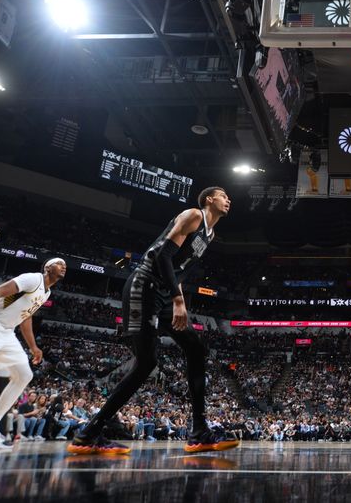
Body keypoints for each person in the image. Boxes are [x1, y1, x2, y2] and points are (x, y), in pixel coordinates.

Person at [68, 187, 239, 455]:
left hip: (163, 293)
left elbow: (178, 271)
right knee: (147, 363)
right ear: (209, 199)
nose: (228, 200)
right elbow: (162, 256)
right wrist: (178, 300)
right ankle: (88, 433)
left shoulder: (210, 234)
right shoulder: (194, 215)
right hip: (143, 285)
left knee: (196, 349)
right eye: (223, 195)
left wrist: (176, 297)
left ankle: (199, 431)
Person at [0, 258, 63, 450]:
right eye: (60, 263)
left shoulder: (46, 292)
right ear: (48, 267)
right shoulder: (33, 279)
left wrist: (34, 347)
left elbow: (26, 318)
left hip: (7, 332)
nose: (64, 266)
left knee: (24, 375)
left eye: (65, 264)